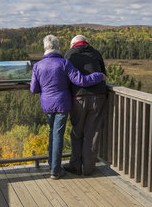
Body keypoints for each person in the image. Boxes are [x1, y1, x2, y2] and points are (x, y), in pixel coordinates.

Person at [30, 35, 105, 180]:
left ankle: (52, 164)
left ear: (45, 48)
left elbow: (34, 89)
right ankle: (55, 170)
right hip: (62, 104)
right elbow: (81, 80)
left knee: (53, 133)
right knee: (57, 134)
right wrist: (99, 76)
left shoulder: (37, 66)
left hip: (47, 104)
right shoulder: (64, 64)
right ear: (57, 47)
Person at [63, 35, 107, 176]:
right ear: (85, 42)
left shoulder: (70, 54)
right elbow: (104, 74)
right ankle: (88, 168)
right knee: (92, 133)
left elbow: (65, 77)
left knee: (77, 132)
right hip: (99, 96)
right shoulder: (96, 52)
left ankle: (75, 166)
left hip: (79, 97)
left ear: (72, 44)